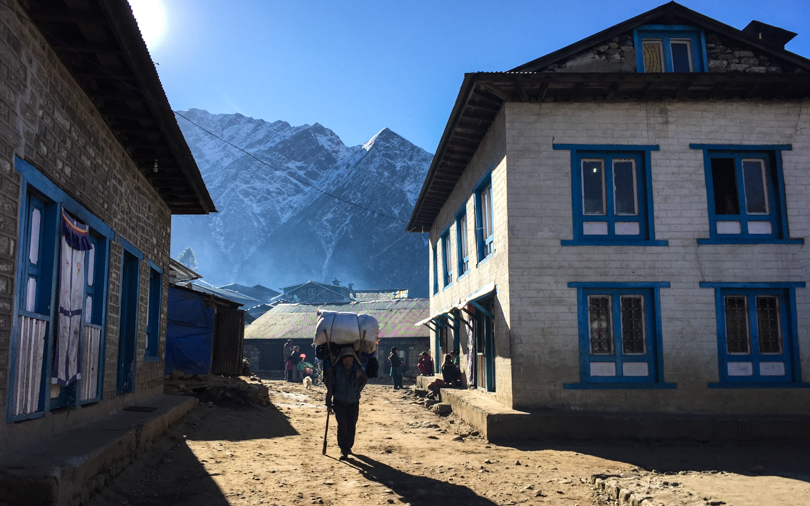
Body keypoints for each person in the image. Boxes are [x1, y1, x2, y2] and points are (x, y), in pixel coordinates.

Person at [324, 347, 367, 460]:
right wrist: (328, 403)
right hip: (339, 401)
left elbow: (360, 386)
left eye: (350, 359)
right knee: (342, 425)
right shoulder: (335, 370)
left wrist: (359, 377)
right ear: (341, 359)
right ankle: (344, 450)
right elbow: (330, 387)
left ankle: (349, 447)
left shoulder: (358, 369)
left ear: (353, 360)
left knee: (351, 425)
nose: (347, 362)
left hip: (353, 402)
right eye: (345, 359)